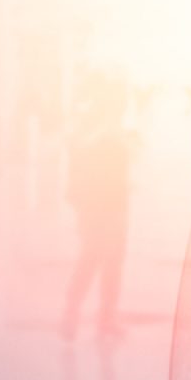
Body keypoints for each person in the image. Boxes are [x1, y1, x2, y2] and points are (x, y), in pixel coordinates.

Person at [60, 76, 133, 341]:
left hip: (106, 203)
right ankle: (82, 314)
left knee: (104, 259)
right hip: (102, 204)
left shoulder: (99, 128)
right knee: (98, 257)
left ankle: (97, 316)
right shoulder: (100, 129)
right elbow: (86, 156)